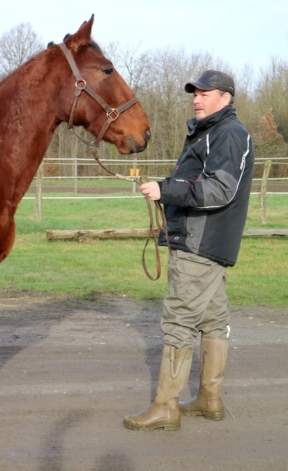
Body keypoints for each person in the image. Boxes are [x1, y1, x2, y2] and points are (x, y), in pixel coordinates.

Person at [123, 70, 255, 431]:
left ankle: (166, 406)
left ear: (225, 98)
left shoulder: (227, 134)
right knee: (213, 320)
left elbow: (219, 190)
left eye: (205, 94)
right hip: (209, 243)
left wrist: (165, 192)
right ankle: (209, 400)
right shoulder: (212, 133)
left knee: (179, 321)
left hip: (200, 244)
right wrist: (166, 186)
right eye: (195, 94)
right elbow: (196, 181)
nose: (197, 99)